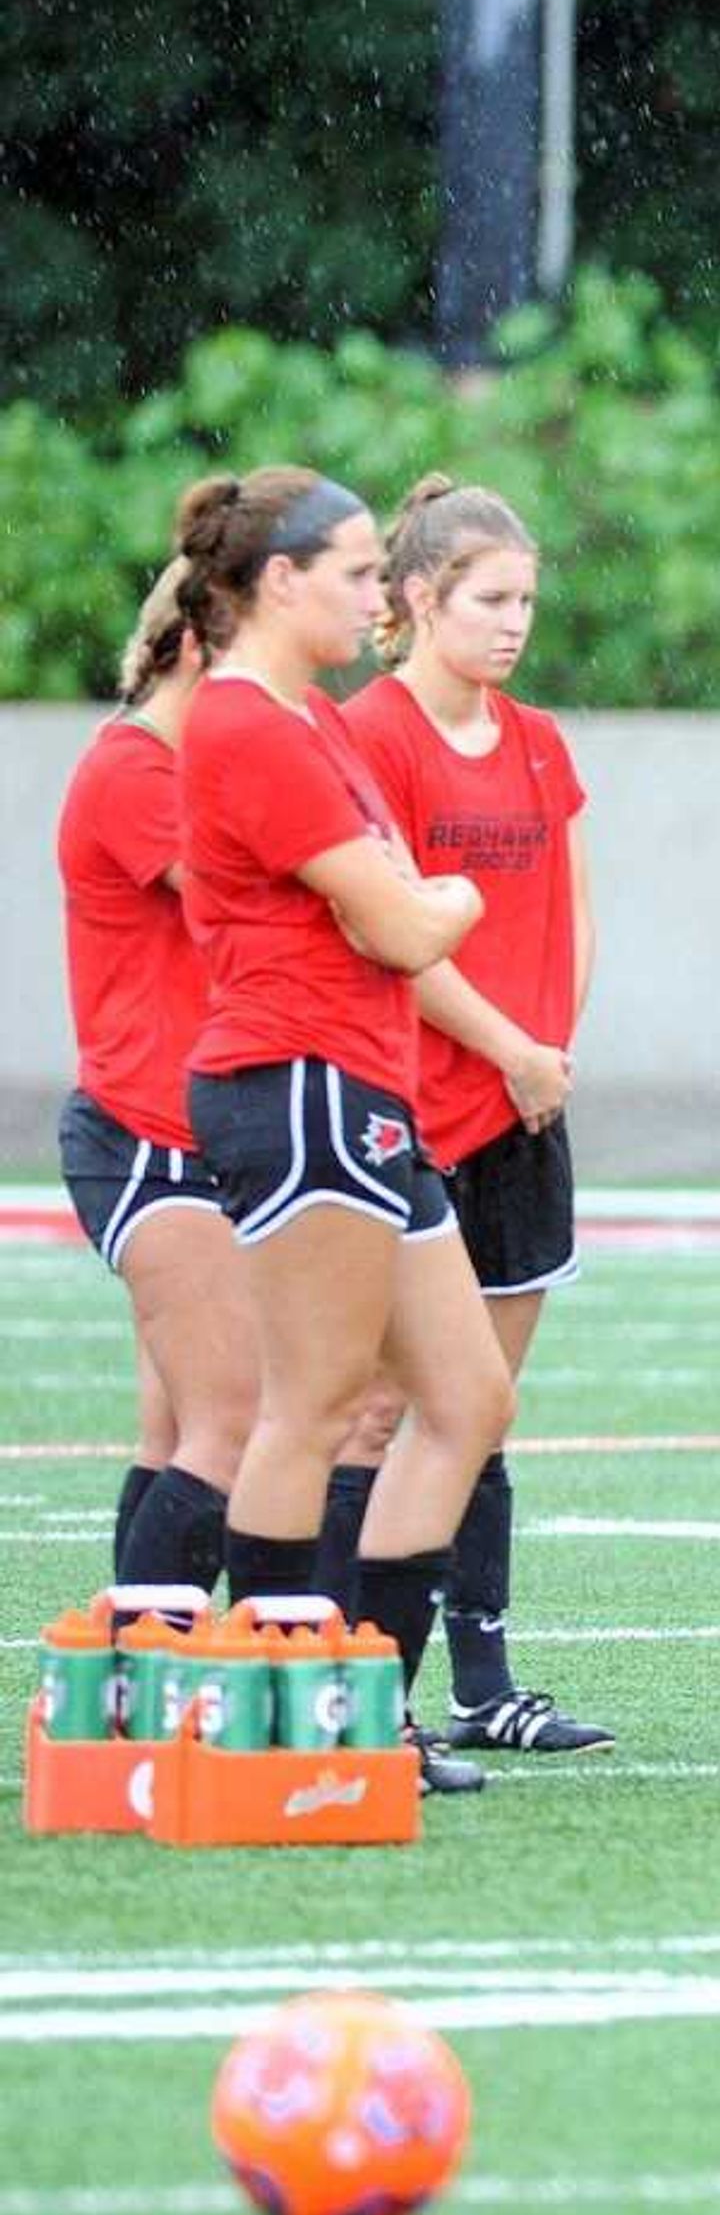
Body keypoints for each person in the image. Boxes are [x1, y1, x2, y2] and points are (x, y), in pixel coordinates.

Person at [166, 466, 510, 1796]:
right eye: (361, 573)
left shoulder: (308, 723)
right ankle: (279, 1715)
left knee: (468, 1396)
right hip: (299, 1080)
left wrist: (428, 896)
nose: (380, 596)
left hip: (362, 1089)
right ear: (280, 581)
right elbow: (406, 923)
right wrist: (466, 886)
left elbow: (396, 914)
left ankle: (363, 1696)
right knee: (306, 1406)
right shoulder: (248, 724)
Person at [331, 477, 611, 1756]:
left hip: (525, 1109)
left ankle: (482, 1682)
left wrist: (549, 1047)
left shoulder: (540, 740)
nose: (514, 624)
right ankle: (341, 1675)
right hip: (421, 1109)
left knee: (481, 1403)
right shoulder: (373, 735)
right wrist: (506, 1046)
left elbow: (572, 901)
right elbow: (384, 930)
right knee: (389, 1411)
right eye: (491, 601)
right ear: (418, 600)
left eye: (528, 601)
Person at [69, 563, 252, 1590]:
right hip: (148, 1133)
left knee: (180, 1427)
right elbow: (256, 889)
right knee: (236, 1421)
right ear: (191, 649)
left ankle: (145, 1678)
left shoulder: (202, 763)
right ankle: (142, 1671)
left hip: (207, 1126)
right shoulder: (135, 769)